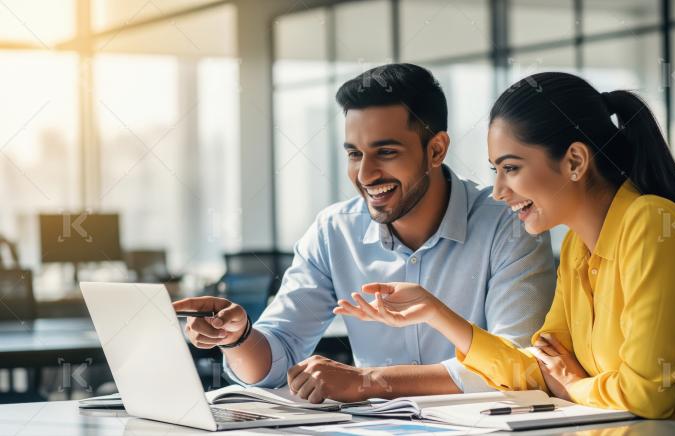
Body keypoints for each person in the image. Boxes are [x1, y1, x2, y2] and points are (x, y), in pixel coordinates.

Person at [334, 72, 675, 428]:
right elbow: (536, 369)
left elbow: (646, 395)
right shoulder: (578, 248)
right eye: (494, 171)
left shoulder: (652, 225)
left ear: (576, 162)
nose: (499, 191)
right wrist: (437, 313)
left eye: (511, 168)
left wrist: (570, 385)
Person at [175, 64, 556, 404]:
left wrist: (370, 382)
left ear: (436, 149)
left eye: (385, 152)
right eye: (354, 154)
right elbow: (278, 358)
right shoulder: (333, 231)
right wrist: (239, 337)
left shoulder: (509, 224)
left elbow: (520, 365)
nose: (365, 174)